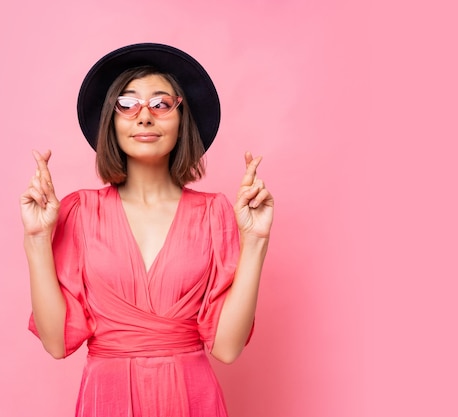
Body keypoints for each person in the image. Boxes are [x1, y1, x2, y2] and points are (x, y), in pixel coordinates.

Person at [20, 43, 274, 417]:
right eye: (127, 103)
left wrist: (255, 242)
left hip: (192, 398)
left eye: (160, 104)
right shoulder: (79, 211)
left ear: (181, 119)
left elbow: (227, 348)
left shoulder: (215, 213)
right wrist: (37, 240)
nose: (144, 116)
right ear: (111, 120)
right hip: (106, 398)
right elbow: (57, 343)